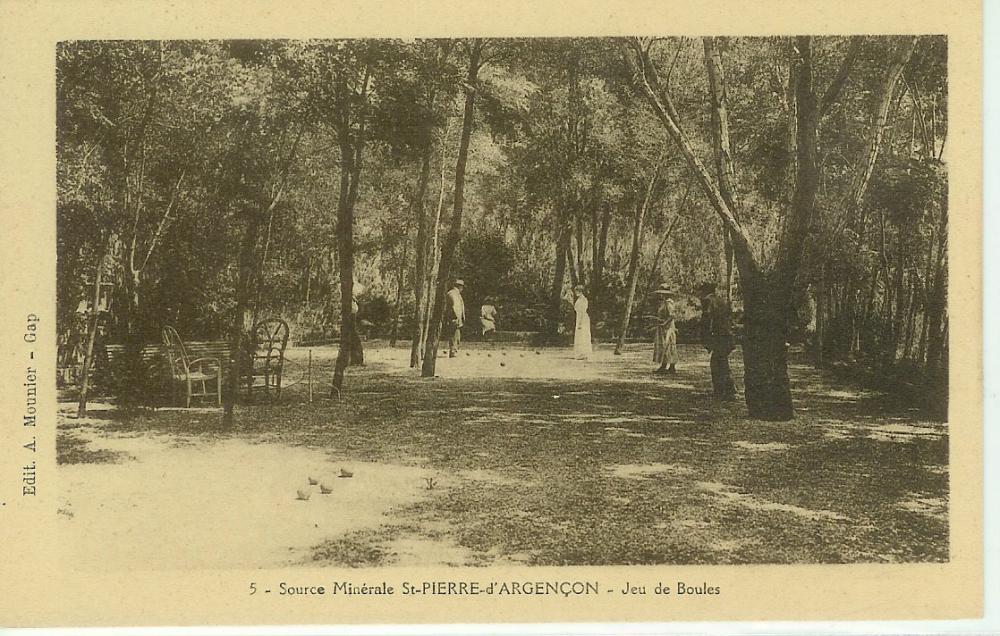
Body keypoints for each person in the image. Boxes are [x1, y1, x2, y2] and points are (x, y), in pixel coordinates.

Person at [699, 281, 736, 400]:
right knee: (722, 361)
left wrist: (706, 337)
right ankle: (729, 390)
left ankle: (721, 391)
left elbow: (707, 319)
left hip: (718, 336)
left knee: (716, 363)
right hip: (727, 335)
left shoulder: (707, 301)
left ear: (705, 291)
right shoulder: (721, 300)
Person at [651, 283, 679, 374]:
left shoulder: (668, 303)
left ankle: (670, 366)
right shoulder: (664, 303)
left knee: (668, 345)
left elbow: (672, 316)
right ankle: (665, 365)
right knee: (664, 345)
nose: (661, 295)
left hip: (667, 328)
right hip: (664, 327)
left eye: (662, 293)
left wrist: (664, 323)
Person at [445, 279, 466, 357]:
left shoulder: (453, 293)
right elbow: (456, 307)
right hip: (454, 317)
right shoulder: (454, 294)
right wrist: (458, 318)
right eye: (462, 287)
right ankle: (453, 351)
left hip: (453, 317)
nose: (462, 289)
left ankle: (453, 350)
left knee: (454, 334)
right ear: (459, 286)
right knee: (455, 334)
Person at [573, 284, 593, 359]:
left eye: (577, 291)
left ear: (580, 291)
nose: (576, 293)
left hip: (583, 318)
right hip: (579, 317)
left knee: (583, 335)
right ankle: (580, 353)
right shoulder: (579, 300)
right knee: (579, 335)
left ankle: (584, 353)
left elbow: (583, 311)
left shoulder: (584, 300)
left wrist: (580, 322)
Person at [348, 282, 365, 366]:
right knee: (354, 341)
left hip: (353, 321)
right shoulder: (348, 300)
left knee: (355, 342)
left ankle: (357, 360)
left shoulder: (354, 300)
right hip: (350, 321)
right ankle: (355, 360)